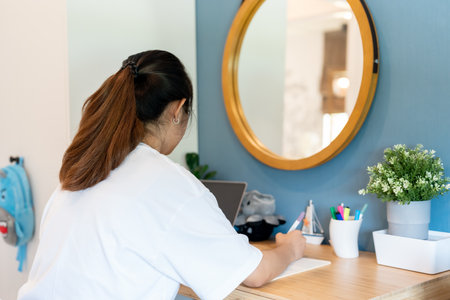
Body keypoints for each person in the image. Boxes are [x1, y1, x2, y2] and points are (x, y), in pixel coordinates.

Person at [18, 50, 306, 300]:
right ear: (178, 110)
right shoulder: (165, 181)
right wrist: (291, 248)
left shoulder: (82, 173)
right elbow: (255, 274)